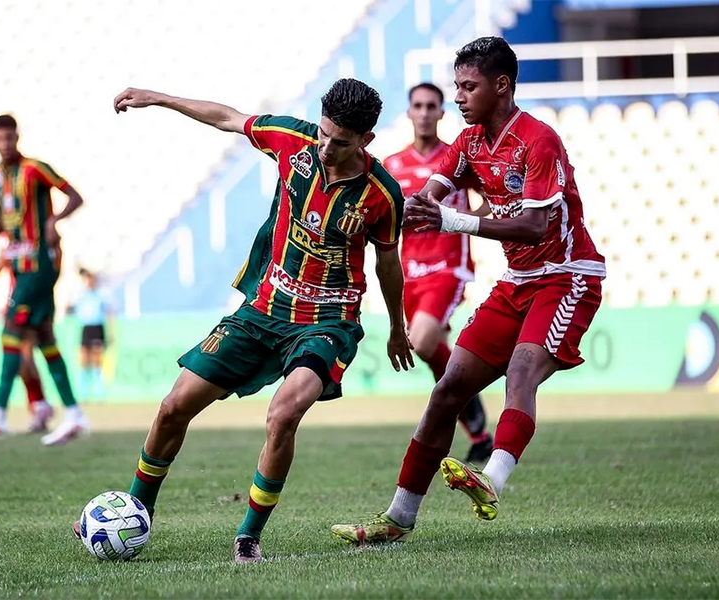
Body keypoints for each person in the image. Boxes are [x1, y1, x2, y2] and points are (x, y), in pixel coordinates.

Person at [72, 78, 413, 563]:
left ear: (365, 140)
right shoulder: (291, 141)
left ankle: (248, 536)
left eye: (339, 141)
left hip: (327, 322)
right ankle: (136, 511)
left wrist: (398, 327)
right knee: (173, 407)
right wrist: (161, 98)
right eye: (323, 133)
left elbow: (388, 263)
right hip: (263, 310)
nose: (326, 147)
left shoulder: (383, 194)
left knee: (283, 414)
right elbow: (228, 118)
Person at [331, 36, 606, 544]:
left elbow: (533, 227)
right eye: (456, 86)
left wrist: (452, 220)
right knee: (446, 391)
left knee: (522, 370)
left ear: (501, 86)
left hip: (567, 275)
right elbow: (428, 196)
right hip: (517, 281)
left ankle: (492, 479)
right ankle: (398, 518)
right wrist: (381, 213)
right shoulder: (470, 142)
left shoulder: (538, 140)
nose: (458, 96)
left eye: (467, 87)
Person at [0, 114, 90, 446]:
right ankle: (74, 414)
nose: (5, 144)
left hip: (39, 265)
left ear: (17, 137)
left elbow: (75, 196)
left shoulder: (35, 169)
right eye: (0, 139)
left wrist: (54, 220)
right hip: (18, 265)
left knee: (11, 331)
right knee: (44, 337)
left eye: (10, 137)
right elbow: (6, 218)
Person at [384, 82, 493, 465]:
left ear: (442, 113)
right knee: (431, 352)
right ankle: (478, 431)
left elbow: (493, 202)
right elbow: (383, 219)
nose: (425, 112)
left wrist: (460, 220)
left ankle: (463, 406)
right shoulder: (392, 166)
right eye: (418, 105)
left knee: (422, 341)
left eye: (432, 106)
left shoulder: (457, 159)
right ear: (409, 112)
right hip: (408, 274)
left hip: (448, 268)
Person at [0, 246, 54, 433]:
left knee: (24, 357)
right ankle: (40, 405)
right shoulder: (17, 245)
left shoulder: (33, 244)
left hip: (31, 306)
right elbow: (3, 260)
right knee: (24, 360)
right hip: (21, 304)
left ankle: (37, 405)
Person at [69, 268, 112, 401]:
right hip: (86, 328)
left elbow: (109, 312)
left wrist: (110, 333)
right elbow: (71, 308)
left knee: (97, 359)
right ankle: (84, 391)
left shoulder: (101, 295)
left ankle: (99, 391)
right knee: (83, 358)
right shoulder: (81, 295)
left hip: (97, 327)